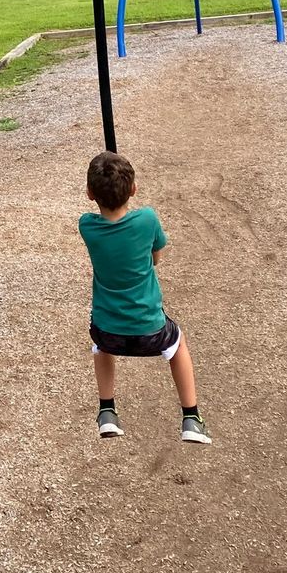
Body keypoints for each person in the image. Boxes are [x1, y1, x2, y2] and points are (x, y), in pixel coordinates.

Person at [78, 150, 210, 444]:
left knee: (100, 348)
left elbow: (104, 215)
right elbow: (155, 259)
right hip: (150, 329)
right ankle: (191, 417)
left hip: (108, 330)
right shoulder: (147, 219)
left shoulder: (86, 226)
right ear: (134, 189)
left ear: (89, 194)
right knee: (178, 344)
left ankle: (107, 411)